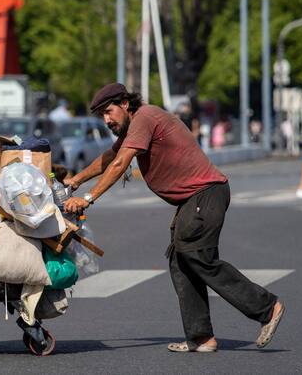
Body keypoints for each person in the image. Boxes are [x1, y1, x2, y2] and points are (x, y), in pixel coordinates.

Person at [62, 83, 285, 353]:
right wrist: (75, 180)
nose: (107, 120)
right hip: (194, 200)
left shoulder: (144, 118)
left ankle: (267, 307)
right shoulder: (136, 124)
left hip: (205, 195)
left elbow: (121, 164)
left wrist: (87, 198)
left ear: (124, 104)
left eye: (109, 112)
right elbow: (110, 157)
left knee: (197, 256)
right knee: (181, 261)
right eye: (102, 116)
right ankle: (201, 338)